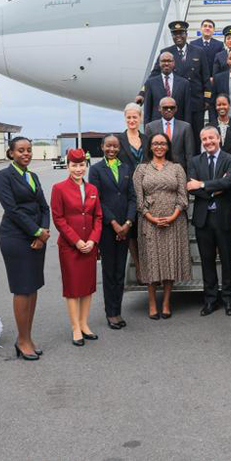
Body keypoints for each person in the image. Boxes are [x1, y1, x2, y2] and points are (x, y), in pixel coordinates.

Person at [0, 136, 50, 361]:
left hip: (37, 236)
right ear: (11, 153)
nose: (26, 154)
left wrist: (43, 233)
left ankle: (27, 338)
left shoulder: (33, 176)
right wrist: (36, 232)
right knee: (22, 288)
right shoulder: (4, 176)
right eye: (20, 150)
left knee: (33, 287)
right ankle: (22, 340)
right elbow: (12, 209)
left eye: (28, 150)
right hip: (15, 237)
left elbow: (44, 207)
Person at [133, 132, 191, 320]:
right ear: (150, 146)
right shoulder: (141, 169)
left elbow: (183, 197)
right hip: (149, 222)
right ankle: (152, 303)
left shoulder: (177, 168)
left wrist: (172, 216)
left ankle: (166, 302)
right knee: (151, 262)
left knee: (169, 261)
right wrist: (151, 218)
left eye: (163, 143)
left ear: (168, 147)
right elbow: (138, 199)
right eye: (156, 143)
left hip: (174, 222)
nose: (159, 146)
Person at [51, 149, 103, 346]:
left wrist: (93, 240)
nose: (78, 169)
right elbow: (58, 218)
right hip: (70, 246)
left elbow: (98, 216)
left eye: (81, 165)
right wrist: (76, 241)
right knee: (73, 288)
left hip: (89, 245)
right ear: (68, 166)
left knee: (88, 287)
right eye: (74, 165)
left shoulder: (92, 190)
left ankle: (84, 324)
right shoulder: (59, 188)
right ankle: (75, 328)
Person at [186, 126, 231, 316]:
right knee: (207, 261)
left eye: (211, 138)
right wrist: (215, 188)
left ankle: (229, 299)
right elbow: (190, 187)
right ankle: (210, 300)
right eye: (204, 139)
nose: (208, 142)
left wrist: (202, 184)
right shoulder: (195, 161)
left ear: (219, 139)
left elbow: (228, 182)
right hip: (203, 219)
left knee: (227, 260)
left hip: (225, 218)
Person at [89, 135, 137, 330]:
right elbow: (96, 199)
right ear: (102, 147)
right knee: (109, 272)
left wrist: (128, 222)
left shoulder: (126, 168)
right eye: (108, 146)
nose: (112, 149)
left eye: (115, 146)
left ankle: (118, 309)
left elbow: (132, 197)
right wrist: (115, 223)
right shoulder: (96, 169)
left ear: (119, 148)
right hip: (108, 229)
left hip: (125, 228)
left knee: (120, 273)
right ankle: (111, 313)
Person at [147, 20, 210, 134]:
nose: (178, 36)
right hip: (175, 103)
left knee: (195, 135)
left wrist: (207, 99)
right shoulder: (166, 52)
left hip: (195, 102)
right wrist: (142, 92)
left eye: (181, 33)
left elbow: (205, 77)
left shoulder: (198, 52)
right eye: (175, 34)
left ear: (186, 34)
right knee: (176, 135)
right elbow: (154, 74)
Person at [117, 102, 145, 285]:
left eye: (135, 117)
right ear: (125, 119)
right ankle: (139, 268)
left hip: (146, 186)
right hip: (128, 188)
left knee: (146, 229)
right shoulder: (119, 140)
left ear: (140, 118)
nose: (132, 120)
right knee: (133, 231)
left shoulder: (147, 138)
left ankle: (150, 266)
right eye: (129, 117)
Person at [144, 97, 196, 167]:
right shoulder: (150, 127)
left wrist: (190, 176)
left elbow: (190, 154)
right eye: (165, 107)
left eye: (172, 108)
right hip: (156, 170)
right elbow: (147, 152)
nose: (169, 110)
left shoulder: (185, 127)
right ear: (159, 108)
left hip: (179, 170)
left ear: (176, 109)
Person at [142, 52, 190, 125]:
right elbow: (147, 110)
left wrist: (187, 127)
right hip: (156, 127)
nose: (166, 63)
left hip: (178, 128)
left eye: (169, 61)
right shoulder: (150, 83)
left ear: (174, 63)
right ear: (159, 63)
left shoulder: (184, 83)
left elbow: (187, 110)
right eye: (163, 61)